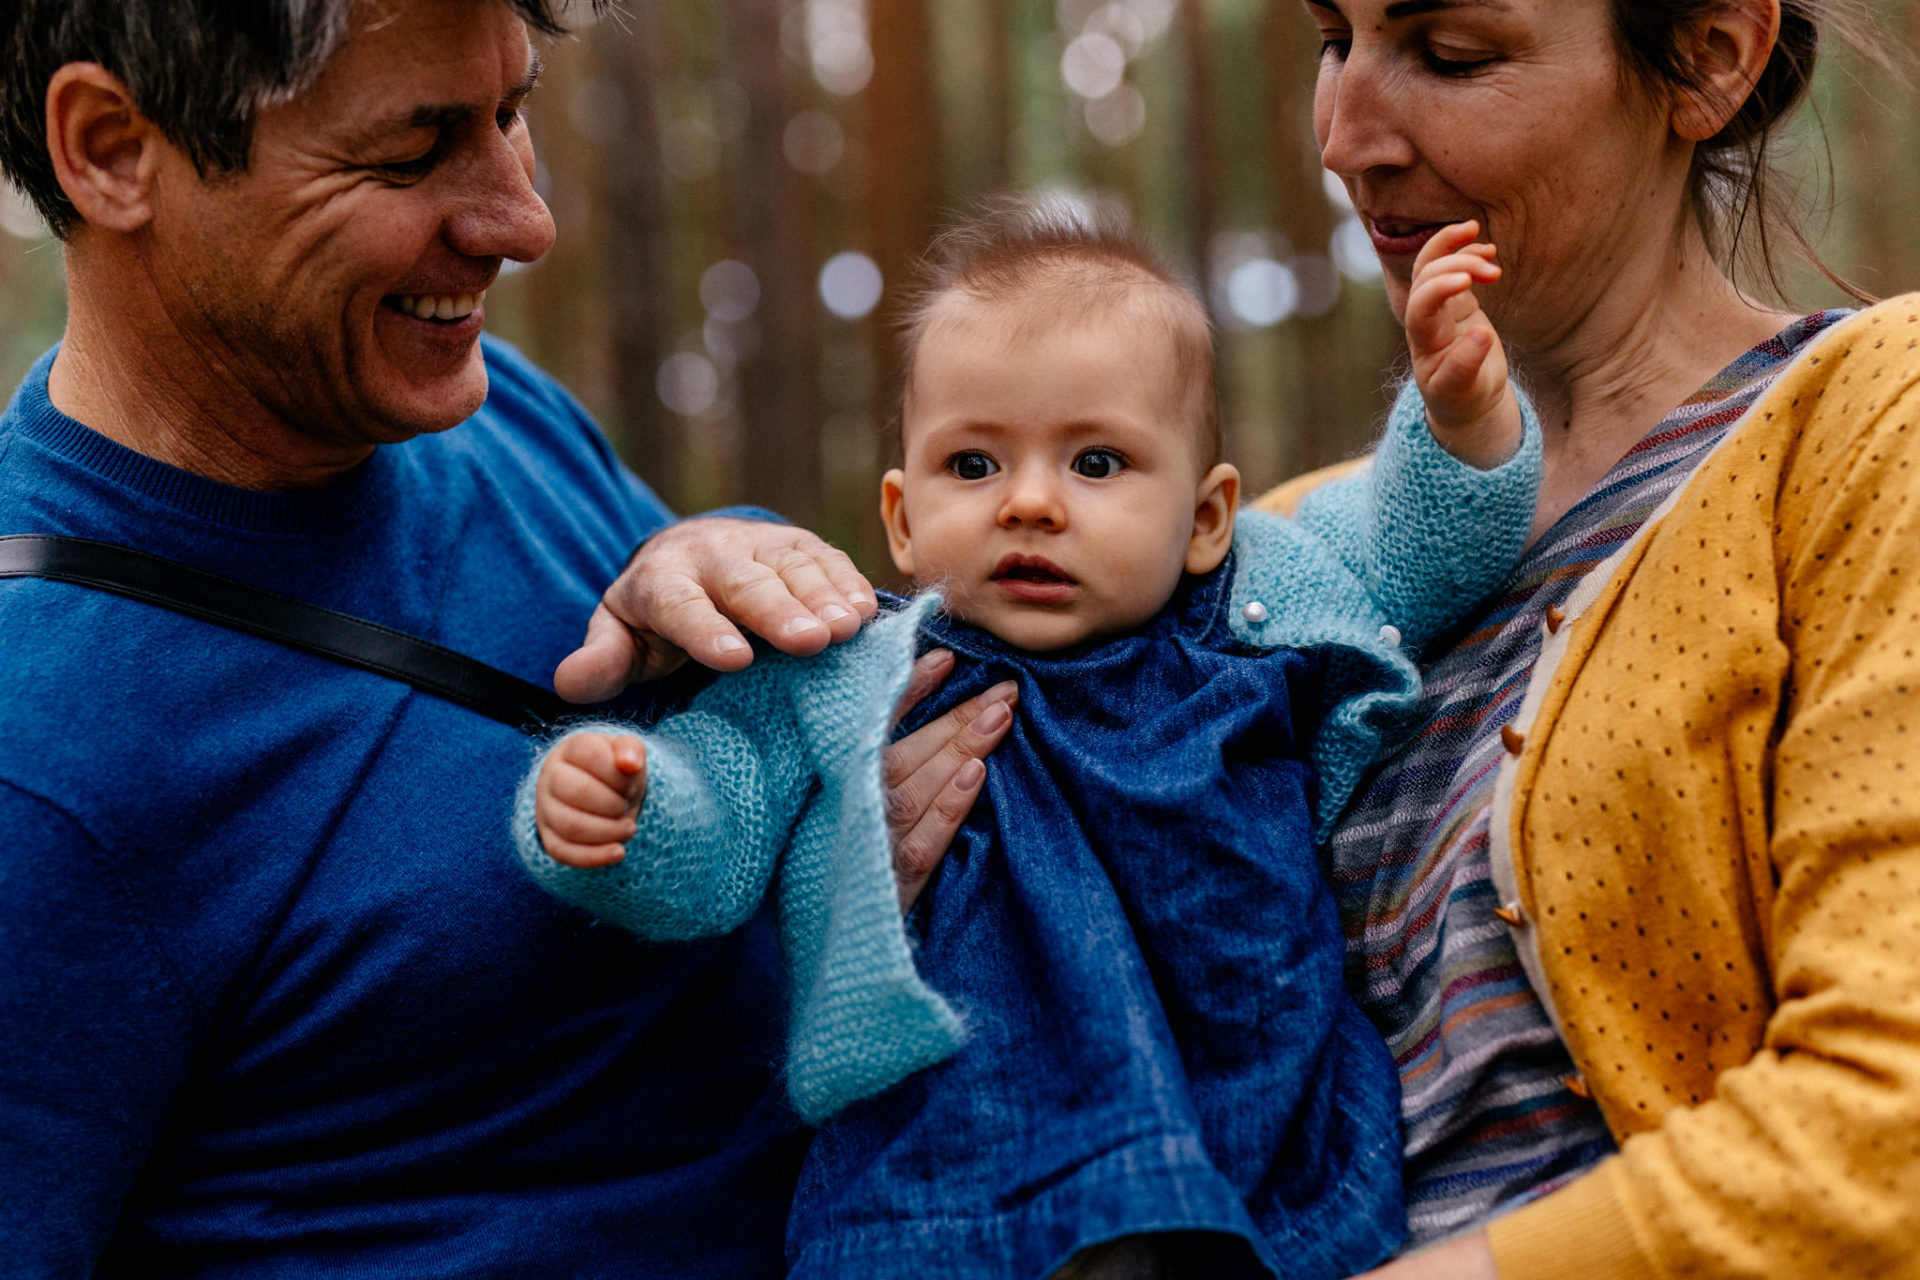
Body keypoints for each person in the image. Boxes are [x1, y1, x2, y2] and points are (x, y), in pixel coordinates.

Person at [563, 1, 1920, 1277]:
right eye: (1336, 37)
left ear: (1714, 56)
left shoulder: (1867, 427)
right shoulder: (1257, 575)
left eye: (1447, 51)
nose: (1343, 134)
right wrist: (832, 849)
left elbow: (1888, 1126)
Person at [0, 1, 994, 1274]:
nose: (523, 222)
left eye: (512, 113)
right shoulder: (40, 760)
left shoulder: (482, 406)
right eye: (413, 152)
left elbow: (746, 806)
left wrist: (718, 560)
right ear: (111, 150)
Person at [521, 202, 1538, 1279]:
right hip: (948, 1180)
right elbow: (726, 804)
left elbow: (1417, 546)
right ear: (902, 519)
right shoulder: (856, 664)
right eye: (974, 465)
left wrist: (1460, 416)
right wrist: (632, 809)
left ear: (1206, 518)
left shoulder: (1259, 605)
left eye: (1097, 463)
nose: (1033, 503)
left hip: (1252, 1145)